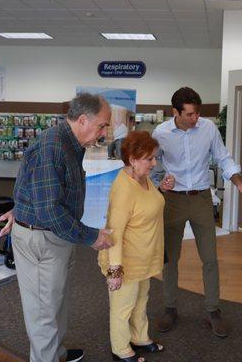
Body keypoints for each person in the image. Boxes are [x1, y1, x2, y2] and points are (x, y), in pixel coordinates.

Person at [0, 93, 114, 362]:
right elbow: (50, 211)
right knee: (43, 315)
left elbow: (31, 182)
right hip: (43, 239)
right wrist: (91, 237)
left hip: (56, 237)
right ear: (83, 120)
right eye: (102, 125)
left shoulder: (69, 143)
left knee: (56, 303)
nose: (104, 131)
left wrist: (20, 207)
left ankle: (57, 354)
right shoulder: (52, 146)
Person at [151, 87, 242, 338]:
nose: (195, 118)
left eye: (197, 113)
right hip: (172, 202)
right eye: (189, 114)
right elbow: (152, 165)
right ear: (175, 112)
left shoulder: (208, 129)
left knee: (210, 258)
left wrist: (238, 182)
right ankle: (170, 308)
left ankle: (213, 310)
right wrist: (158, 185)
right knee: (170, 258)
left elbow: (223, 157)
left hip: (201, 200)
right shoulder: (160, 133)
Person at [98, 130, 174, 362]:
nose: (154, 163)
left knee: (141, 301)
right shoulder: (123, 189)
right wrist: (115, 270)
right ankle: (120, 350)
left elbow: (146, 208)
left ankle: (139, 337)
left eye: (155, 157)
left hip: (144, 258)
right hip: (125, 261)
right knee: (123, 308)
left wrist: (162, 190)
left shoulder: (143, 179)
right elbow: (114, 234)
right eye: (149, 158)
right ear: (132, 160)